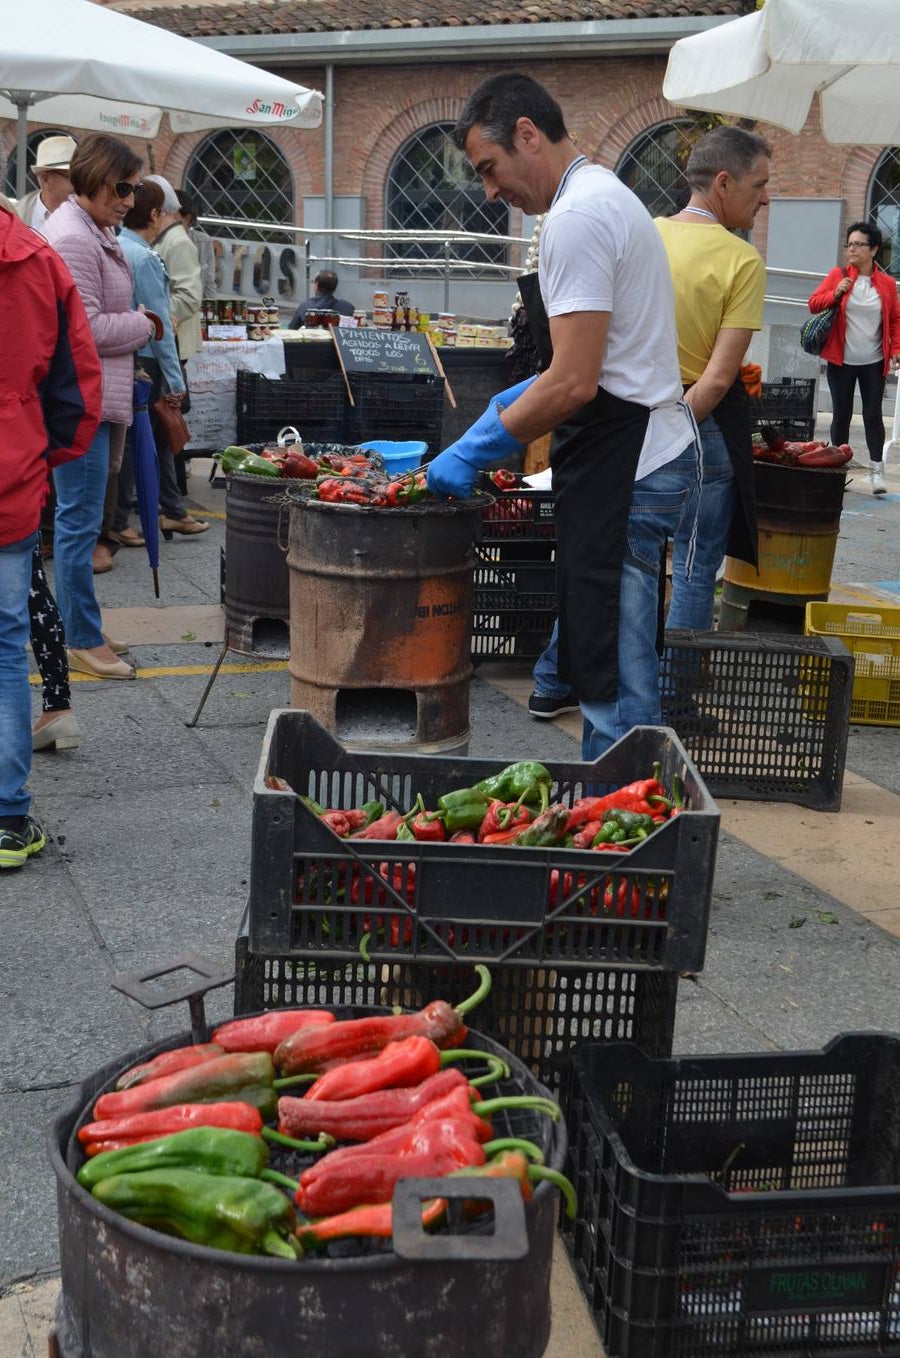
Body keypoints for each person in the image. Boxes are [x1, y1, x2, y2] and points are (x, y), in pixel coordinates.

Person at [426, 73, 698, 758]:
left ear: (527, 135)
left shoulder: (576, 217)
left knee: (613, 672)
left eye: (490, 167)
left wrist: (475, 446)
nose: (490, 191)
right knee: (605, 647)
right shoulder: (604, 195)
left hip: (628, 461)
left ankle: (624, 820)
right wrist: (509, 405)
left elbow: (575, 381)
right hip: (636, 447)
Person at [0, 202, 101, 867]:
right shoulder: (36, 259)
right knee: (5, 644)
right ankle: (7, 819)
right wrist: (37, 455)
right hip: (7, 479)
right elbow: (76, 390)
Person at [43, 133, 156, 680]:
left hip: (94, 397)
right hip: (79, 401)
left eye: (134, 188)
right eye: (124, 186)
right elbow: (80, 329)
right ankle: (80, 637)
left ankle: (78, 622)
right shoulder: (73, 238)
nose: (131, 199)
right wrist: (143, 324)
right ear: (94, 177)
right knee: (79, 521)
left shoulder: (90, 231)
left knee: (83, 521)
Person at [116, 181, 207, 540]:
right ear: (155, 214)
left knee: (150, 439)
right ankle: (126, 519)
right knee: (145, 439)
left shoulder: (117, 244)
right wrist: (176, 381)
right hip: (148, 360)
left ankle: (169, 510)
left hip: (132, 355)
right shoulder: (145, 255)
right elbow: (160, 328)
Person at [809, 221, 900, 496]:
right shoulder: (837, 275)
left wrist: (895, 349)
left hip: (873, 361)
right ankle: (839, 472)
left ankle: (876, 472)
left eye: (858, 244)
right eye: (849, 244)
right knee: (841, 416)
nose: (852, 250)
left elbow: (895, 319)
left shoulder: (885, 284)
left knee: (873, 416)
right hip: (841, 360)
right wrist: (835, 293)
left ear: (873, 249)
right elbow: (814, 303)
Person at [149, 174, 204, 509]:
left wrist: (156, 316)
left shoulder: (177, 241)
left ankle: (172, 501)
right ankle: (170, 499)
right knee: (163, 422)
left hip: (172, 343)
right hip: (165, 341)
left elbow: (188, 296)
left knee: (167, 421)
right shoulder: (167, 239)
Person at [13, 134, 76, 235]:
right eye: (73, 177)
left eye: (82, 176)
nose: (81, 183)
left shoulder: (91, 217)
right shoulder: (16, 214)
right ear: (45, 179)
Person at [175, 187, 217, 301]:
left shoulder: (204, 242)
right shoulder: (160, 243)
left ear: (187, 219)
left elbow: (209, 283)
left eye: (173, 217)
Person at [289, 270, 355, 328]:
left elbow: (292, 329)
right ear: (334, 287)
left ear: (316, 285)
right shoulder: (347, 308)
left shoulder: (305, 306)